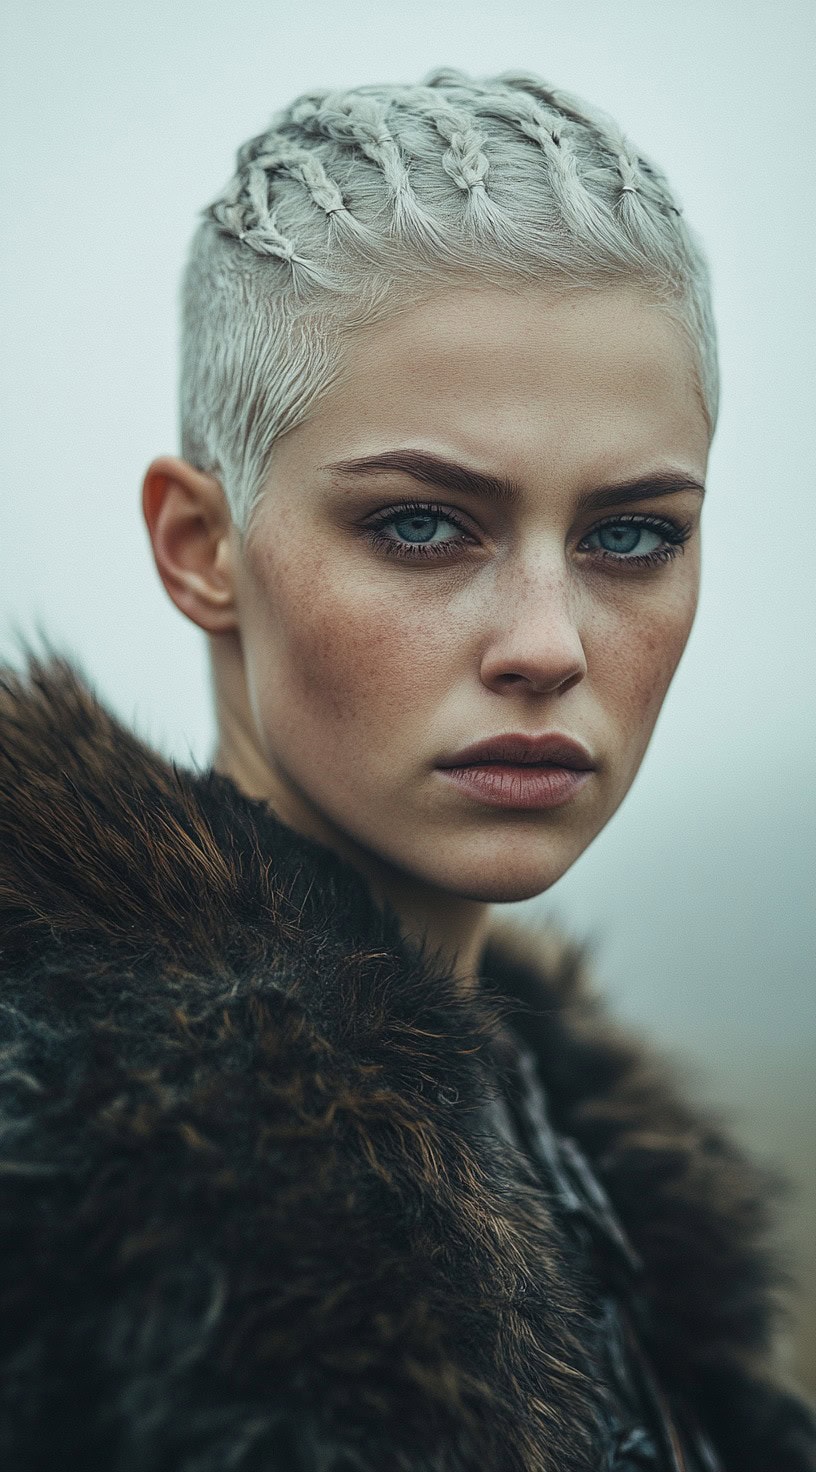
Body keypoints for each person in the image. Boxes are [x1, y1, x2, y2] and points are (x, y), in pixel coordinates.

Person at [0, 67, 813, 1472]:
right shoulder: (63, 1193)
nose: (549, 644)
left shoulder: (576, 1153)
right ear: (202, 548)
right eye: (426, 525)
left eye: (630, 536)